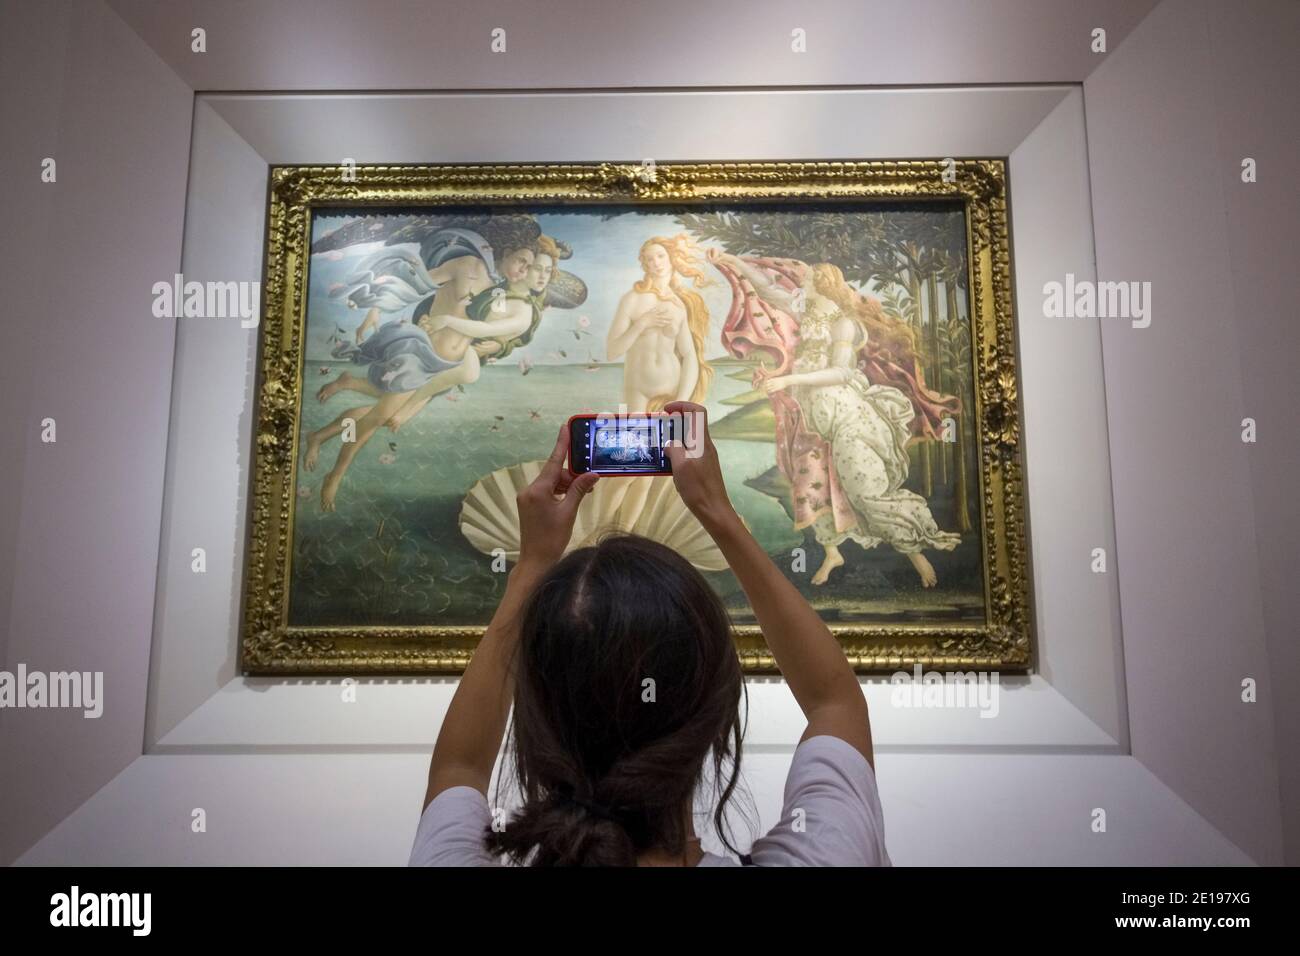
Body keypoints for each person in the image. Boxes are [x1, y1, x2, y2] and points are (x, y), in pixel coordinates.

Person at [410, 401, 891, 866]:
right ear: (720, 711)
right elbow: (835, 701)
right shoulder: (828, 854)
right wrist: (715, 510)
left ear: (533, 714)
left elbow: (460, 768)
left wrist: (532, 563)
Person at [711, 249, 960, 587]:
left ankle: (917, 554)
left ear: (823, 284)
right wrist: (732, 262)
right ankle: (832, 553)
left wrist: (787, 380)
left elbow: (841, 372)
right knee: (808, 484)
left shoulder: (844, 322)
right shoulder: (807, 309)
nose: (803, 282)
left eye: (810, 279)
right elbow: (768, 290)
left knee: (863, 489)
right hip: (811, 414)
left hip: (843, 412)